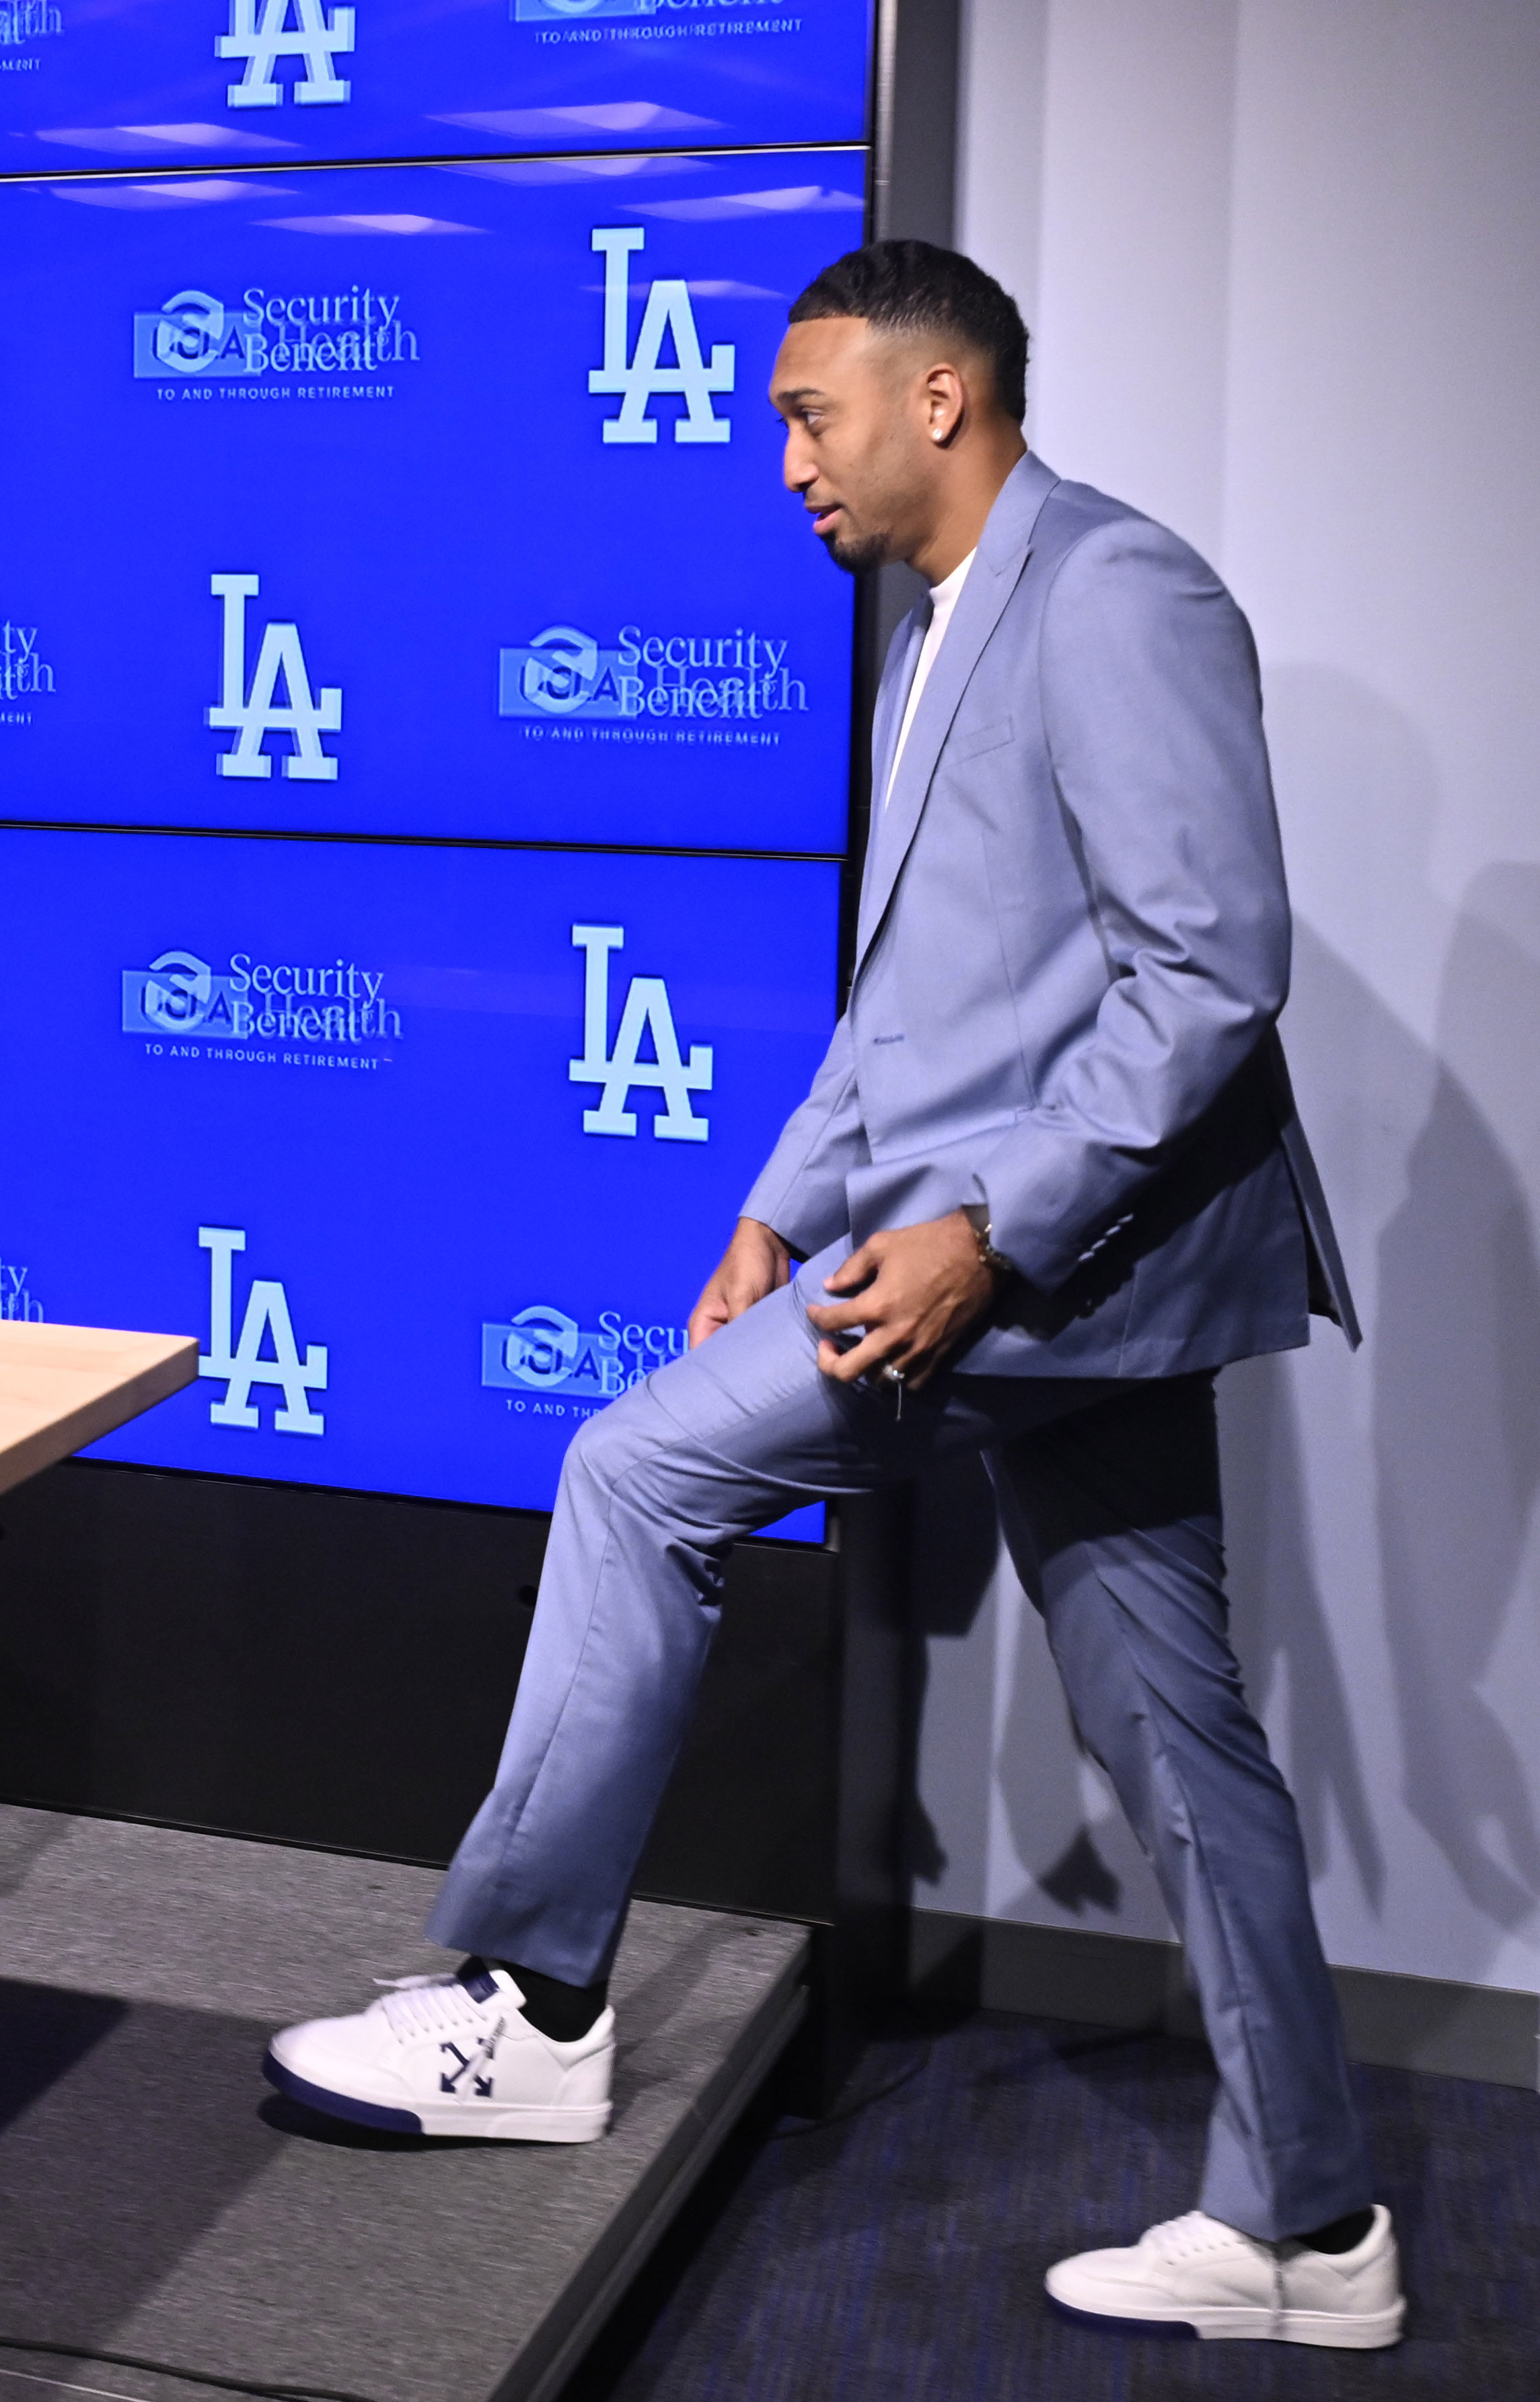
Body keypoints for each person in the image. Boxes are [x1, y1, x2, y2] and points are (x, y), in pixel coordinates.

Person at [263, 242, 1403, 2350]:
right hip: (1055, 1276)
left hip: (1037, 1273)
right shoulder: (943, 618)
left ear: (939, 399)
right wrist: (777, 1201)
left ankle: (526, 2005)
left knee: (629, 1474)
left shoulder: (1115, 594)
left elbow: (1201, 978)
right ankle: (1309, 2225)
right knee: (1174, 1730)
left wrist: (981, 1230)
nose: (777, 456)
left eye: (807, 412)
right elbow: (923, 992)